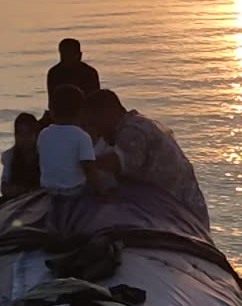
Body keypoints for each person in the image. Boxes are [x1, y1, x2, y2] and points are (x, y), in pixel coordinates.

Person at [84, 89, 209, 223]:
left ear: (107, 113)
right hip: (178, 205)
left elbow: (115, 162)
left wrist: (79, 163)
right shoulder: (139, 123)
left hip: (180, 210)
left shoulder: (133, 131)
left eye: (94, 123)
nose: (96, 131)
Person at [38, 84, 104, 197]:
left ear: (52, 111)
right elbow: (89, 168)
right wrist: (101, 193)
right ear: (81, 112)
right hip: (75, 191)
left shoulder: (43, 134)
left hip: (49, 189)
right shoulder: (82, 137)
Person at [0, 112, 42, 200]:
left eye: (28, 134)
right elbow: (4, 188)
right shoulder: (9, 156)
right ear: (15, 135)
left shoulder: (44, 154)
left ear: (36, 135)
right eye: (21, 134)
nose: (24, 139)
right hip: (17, 201)